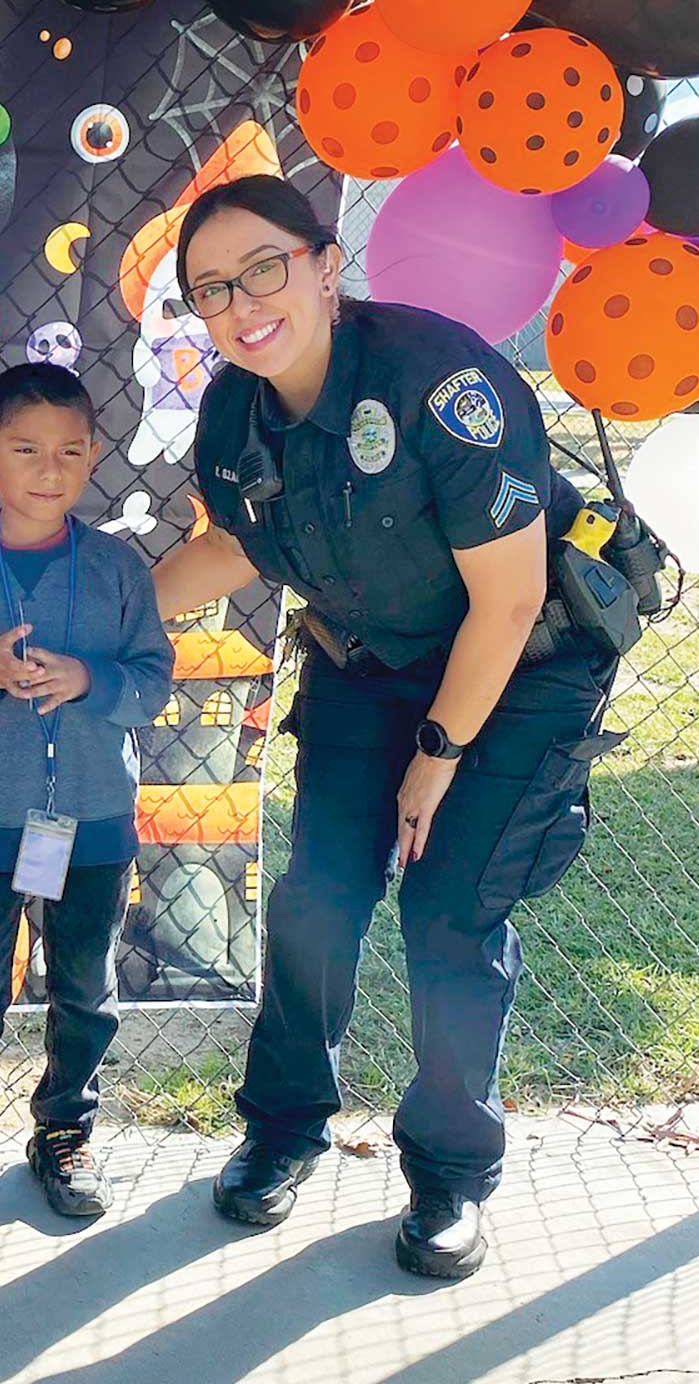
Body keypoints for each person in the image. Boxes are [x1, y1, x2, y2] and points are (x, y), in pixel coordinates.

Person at [154, 175, 622, 1280]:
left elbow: (506, 603)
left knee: (451, 914)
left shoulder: (438, 379)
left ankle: (451, 1175)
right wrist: (113, 600)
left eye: (263, 266)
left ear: (324, 264)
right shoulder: (233, 412)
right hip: (368, 661)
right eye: (211, 288)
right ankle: (282, 1128)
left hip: (518, 667)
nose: (241, 302)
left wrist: (440, 754)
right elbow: (239, 549)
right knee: (319, 897)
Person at [0, 363, 175, 1237]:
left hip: (93, 825)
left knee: (85, 991)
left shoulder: (114, 569)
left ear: (93, 455)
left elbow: (153, 684)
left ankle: (65, 1133)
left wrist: (91, 679)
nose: (49, 469)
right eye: (25, 449)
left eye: (69, 451)